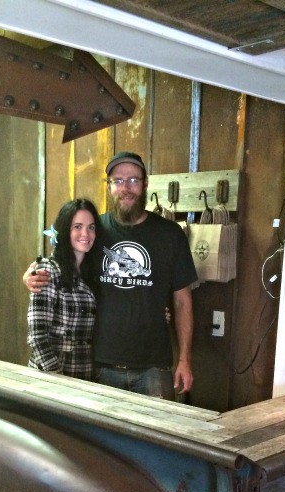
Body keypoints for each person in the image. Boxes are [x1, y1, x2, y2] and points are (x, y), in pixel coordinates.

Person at [24, 152, 197, 400]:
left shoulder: (170, 235)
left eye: (133, 180)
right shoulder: (94, 231)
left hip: (154, 367)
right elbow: (63, 264)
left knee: (156, 438)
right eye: (118, 181)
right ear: (109, 186)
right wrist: (31, 274)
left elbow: (182, 300)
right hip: (98, 366)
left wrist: (185, 359)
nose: (125, 188)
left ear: (145, 184)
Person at [27, 198, 100, 380]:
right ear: (65, 230)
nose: (86, 233)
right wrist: (57, 378)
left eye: (91, 227)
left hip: (85, 374)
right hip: (51, 376)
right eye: (77, 226)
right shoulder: (49, 270)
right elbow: (37, 335)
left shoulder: (93, 272)